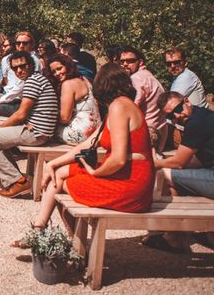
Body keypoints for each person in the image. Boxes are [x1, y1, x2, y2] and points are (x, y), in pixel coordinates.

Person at [11, 63, 154, 242]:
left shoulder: (119, 107)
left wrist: (95, 173)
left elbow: (117, 160)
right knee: (58, 173)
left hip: (129, 185)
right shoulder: (120, 106)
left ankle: (71, 243)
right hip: (125, 177)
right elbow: (89, 143)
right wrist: (54, 163)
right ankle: (44, 230)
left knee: (59, 186)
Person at [0, 50, 58, 198]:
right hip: (35, 127)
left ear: (31, 65)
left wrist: (2, 125)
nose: (19, 70)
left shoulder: (33, 81)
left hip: (36, 133)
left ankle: (17, 182)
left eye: (23, 66)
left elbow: (21, 114)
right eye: (15, 68)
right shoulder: (35, 79)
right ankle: (10, 174)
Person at [146, 91, 214, 252]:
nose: (177, 115)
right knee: (176, 182)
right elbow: (192, 161)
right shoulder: (202, 115)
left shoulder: (196, 124)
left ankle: (171, 237)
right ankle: (178, 236)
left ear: (187, 101)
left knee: (164, 174)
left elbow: (179, 162)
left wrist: (154, 163)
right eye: (170, 116)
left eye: (178, 108)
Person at [0, 32, 39, 125]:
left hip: (22, 101)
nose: (21, 46)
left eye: (25, 43)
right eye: (18, 43)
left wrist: (2, 100)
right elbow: (5, 80)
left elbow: (22, 86)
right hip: (8, 96)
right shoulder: (7, 59)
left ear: (32, 44)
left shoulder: (35, 61)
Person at [119, 46, 167, 151]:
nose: (125, 64)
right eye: (122, 61)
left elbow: (131, 108)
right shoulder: (149, 76)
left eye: (130, 61)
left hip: (146, 135)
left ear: (140, 62)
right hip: (159, 133)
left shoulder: (136, 79)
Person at [47, 54, 100, 145]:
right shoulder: (84, 79)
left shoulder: (67, 84)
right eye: (53, 72)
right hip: (96, 133)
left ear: (67, 66)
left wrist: (49, 117)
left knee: (45, 133)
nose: (57, 73)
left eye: (59, 68)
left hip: (80, 133)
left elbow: (65, 118)